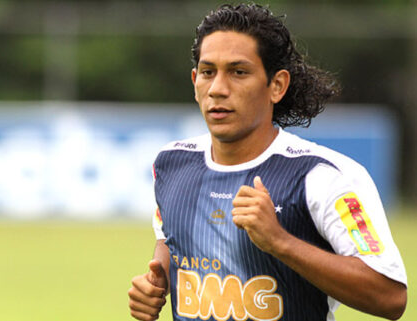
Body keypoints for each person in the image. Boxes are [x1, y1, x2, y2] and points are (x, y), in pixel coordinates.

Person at [127, 3, 407, 321]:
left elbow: (390, 296)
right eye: (208, 72)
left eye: (239, 72)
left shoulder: (322, 176)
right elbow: (168, 238)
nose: (218, 89)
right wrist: (156, 281)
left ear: (276, 86)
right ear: (195, 82)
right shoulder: (171, 164)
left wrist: (279, 242)